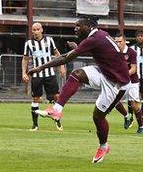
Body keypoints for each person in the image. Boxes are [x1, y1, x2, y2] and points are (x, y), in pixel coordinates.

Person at [28, 18, 130, 163]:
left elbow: (65, 58)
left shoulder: (94, 38)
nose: (75, 29)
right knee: (76, 75)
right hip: (105, 73)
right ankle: (56, 109)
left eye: (78, 26)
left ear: (88, 27)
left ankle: (103, 146)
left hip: (117, 84)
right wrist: (78, 47)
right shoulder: (100, 35)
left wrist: (40, 67)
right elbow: (101, 52)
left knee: (97, 117)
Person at [22, 22, 66, 131]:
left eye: (37, 29)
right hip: (36, 74)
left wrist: (61, 67)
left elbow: (57, 54)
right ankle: (35, 125)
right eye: (34, 30)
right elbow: (25, 59)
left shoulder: (49, 40)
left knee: (56, 97)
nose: (36, 32)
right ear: (32, 31)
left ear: (42, 30)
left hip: (49, 73)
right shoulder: (28, 43)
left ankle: (57, 120)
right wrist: (24, 72)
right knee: (36, 98)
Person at [112, 33, 143, 134]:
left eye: (120, 41)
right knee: (114, 101)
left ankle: (141, 126)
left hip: (132, 82)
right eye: (116, 41)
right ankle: (127, 116)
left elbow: (134, 69)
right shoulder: (113, 52)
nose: (118, 43)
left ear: (124, 41)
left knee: (134, 105)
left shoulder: (131, 52)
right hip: (120, 81)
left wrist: (123, 74)